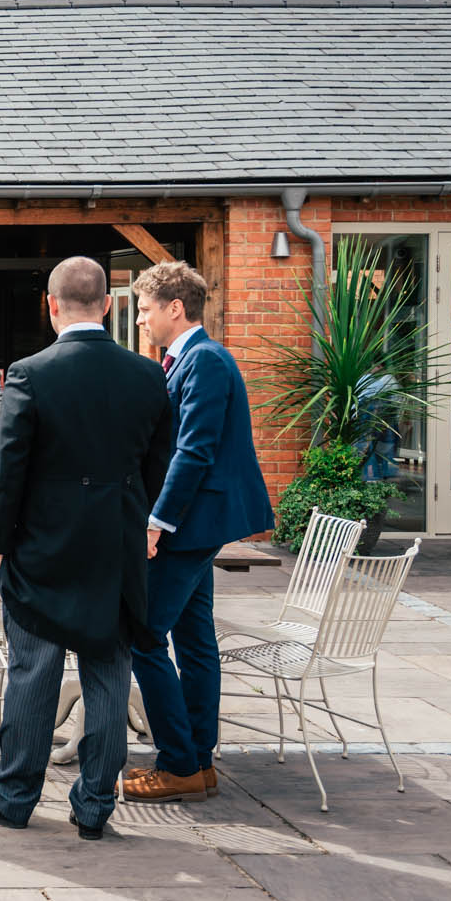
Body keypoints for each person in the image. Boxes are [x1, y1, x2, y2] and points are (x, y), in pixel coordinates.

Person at [0, 257, 172, 840]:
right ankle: (94, 806)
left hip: (43, 549)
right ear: (107, 305)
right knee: (109, 672)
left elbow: (7, 475)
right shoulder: (147, 375)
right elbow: (158, 465)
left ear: (51, 306)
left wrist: (0, 543)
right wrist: (137, 522)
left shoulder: (30, 373)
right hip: (116, 546)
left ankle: (14, 798)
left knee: (34, 673)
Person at [124, 260, 274, 803]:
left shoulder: (205, 360)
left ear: (174, 309)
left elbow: (194, 450)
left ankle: (179, 764)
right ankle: (200, 762)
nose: (140, 321)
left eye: (144, 311)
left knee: (143, 639)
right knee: (192, 639)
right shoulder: (187, 359)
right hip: (198, 523)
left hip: (191, 524)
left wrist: (157, 521)